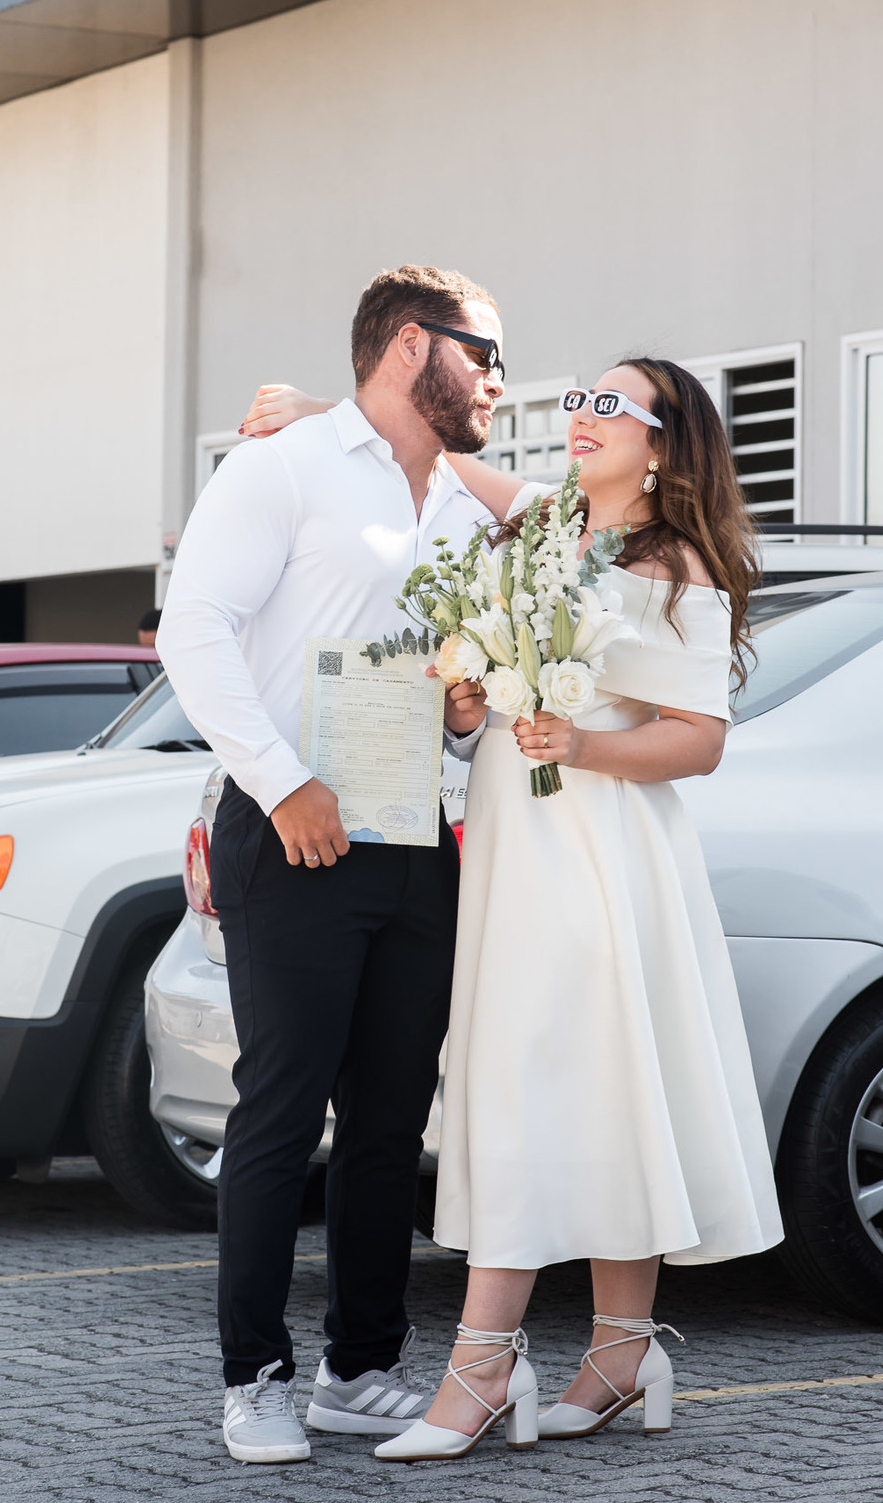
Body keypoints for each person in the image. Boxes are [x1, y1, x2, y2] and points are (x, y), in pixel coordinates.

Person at [241, 356, 784, 1463]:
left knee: (545, 1080)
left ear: (667, 443)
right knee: (592, 1085)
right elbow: (440, 454)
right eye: (576, 398)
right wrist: (325, 423)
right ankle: (624, 1349)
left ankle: (483, 1363)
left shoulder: (674, 565)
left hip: (599, 854)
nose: (580, 416)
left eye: (608, 406)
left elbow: (701, 737)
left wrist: (579, 743)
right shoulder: (548, 533)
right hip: (510, 844)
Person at [155, 266, 506, 1466]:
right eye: (485, 353)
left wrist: (464, 715)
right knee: (279, 1110)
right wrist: (279, 780)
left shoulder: (459, 505)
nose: (500, 381)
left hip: (416, 838)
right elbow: (192, 625)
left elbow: (456, 688)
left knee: (390, 1124)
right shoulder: (283, 467)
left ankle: (362, 1370)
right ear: (413, 346)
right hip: (293, 832)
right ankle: (254, 1376)